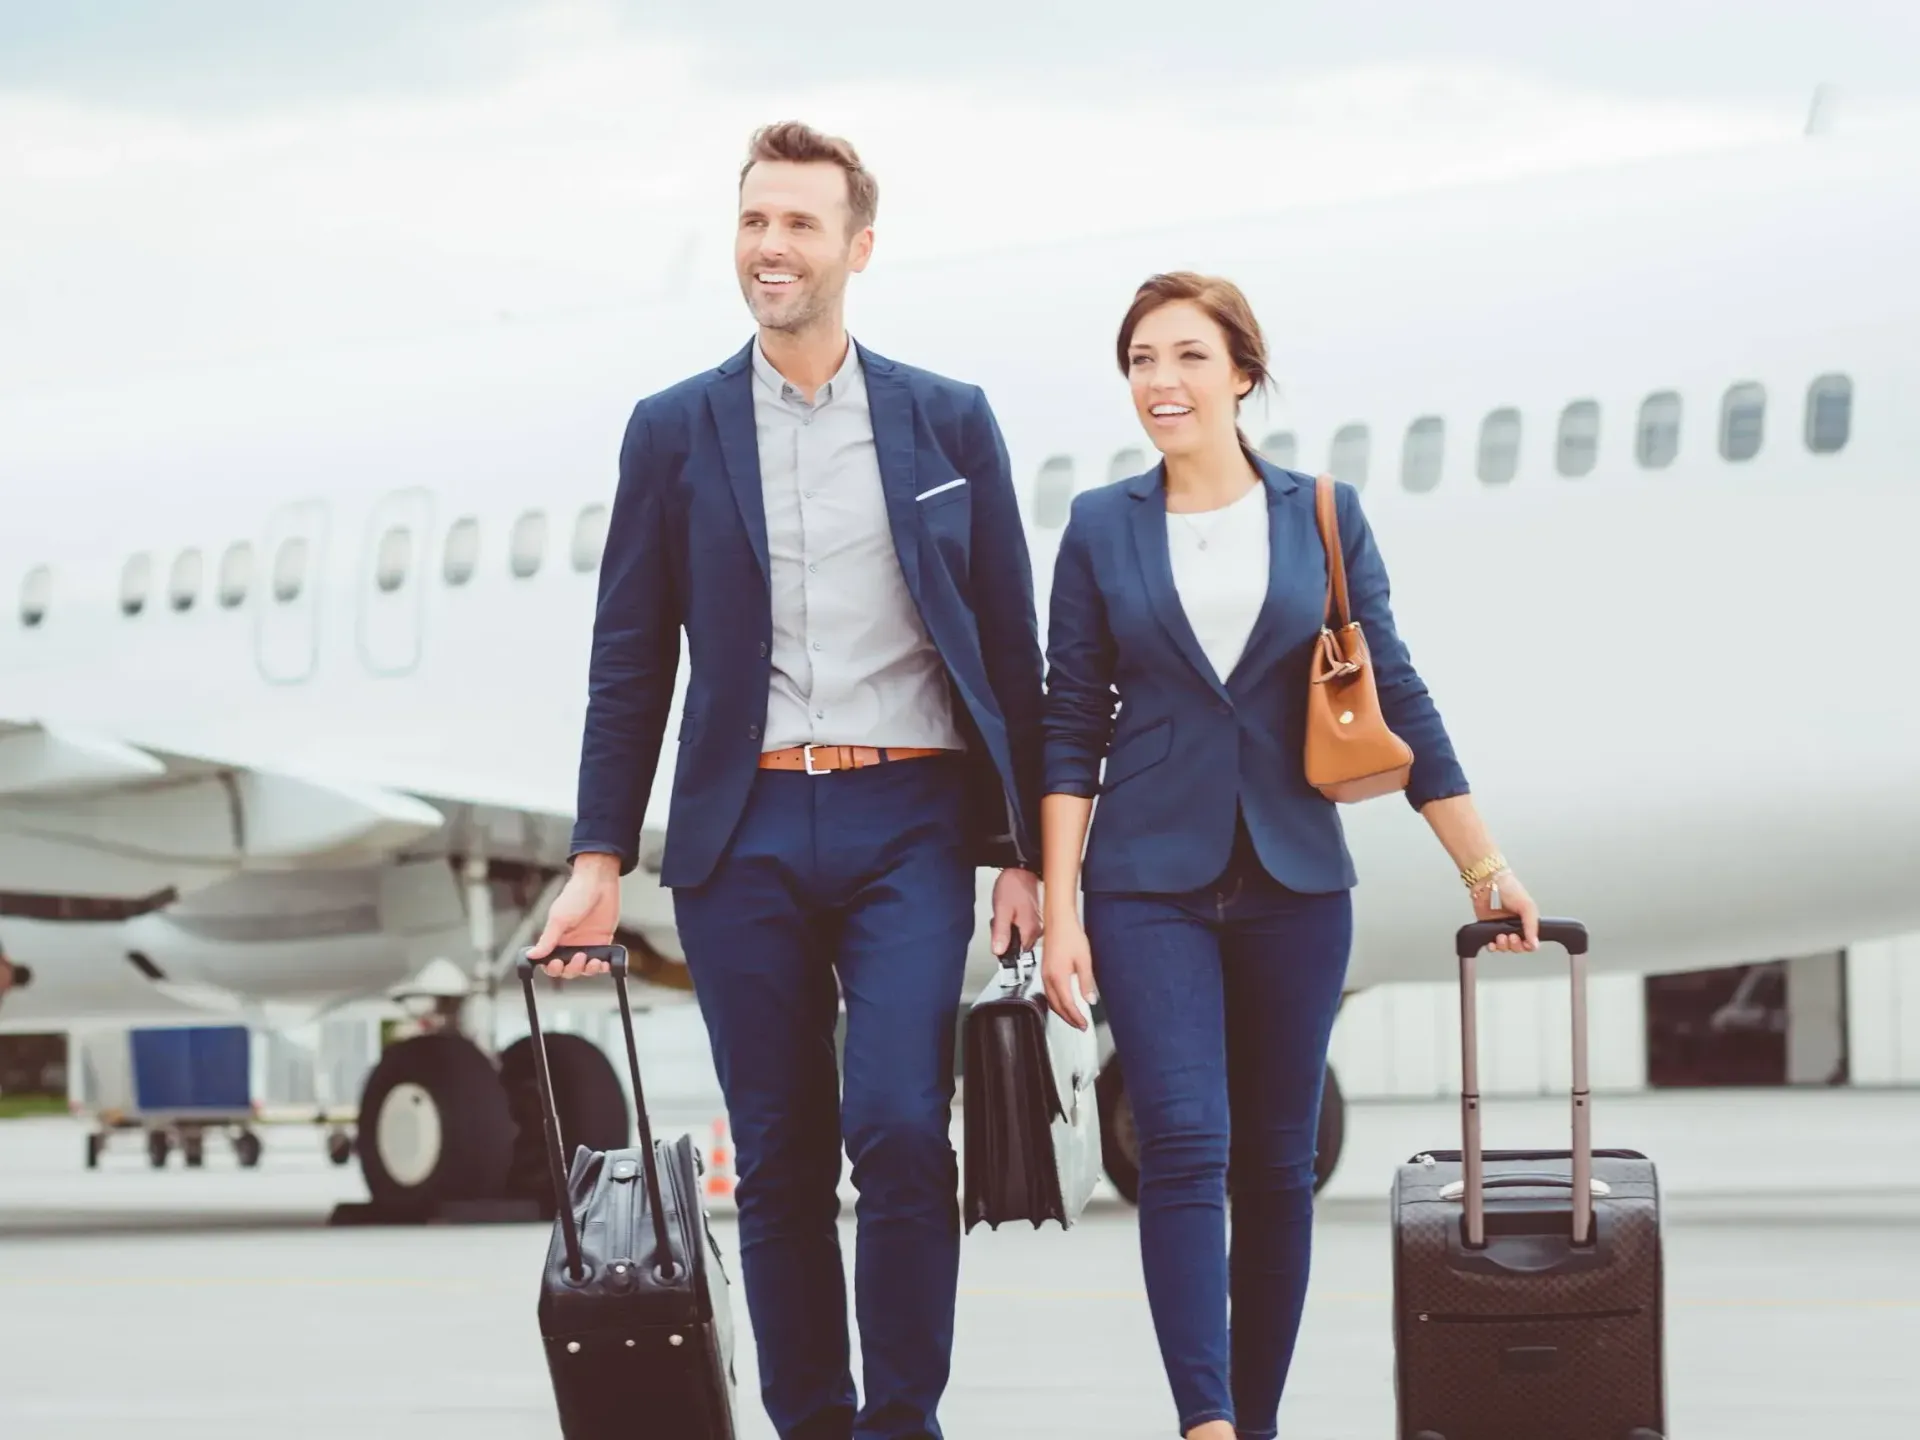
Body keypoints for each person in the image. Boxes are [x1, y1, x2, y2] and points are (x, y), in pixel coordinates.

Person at [526, 120, 1046, 1440]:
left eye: (801, 223)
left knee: (900, 1126)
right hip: (742, 827)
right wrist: (597, 859)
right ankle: (812, 1422)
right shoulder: (673, 431)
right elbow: (630, 659)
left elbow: (1010, 645)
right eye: (755, 219)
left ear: (858, 248)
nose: (772, 245)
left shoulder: (947, 420)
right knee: (778, 1154)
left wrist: (1030, 855)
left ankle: (903, 1422)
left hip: (909, 819)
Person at [1036, 271, 1541, 1440]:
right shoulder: (1102, 527)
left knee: (1274, 1164)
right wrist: (1061, 911)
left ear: (1243, 375)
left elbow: (1393, 688)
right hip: (1145, 881)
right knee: (1181, 1142)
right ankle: (1205, 1422)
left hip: (1297, 880)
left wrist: (1484, 867)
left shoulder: (1321, 514)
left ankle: (1252, 1423)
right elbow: (1068, 726)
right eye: (1142, 360)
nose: (1162, 381)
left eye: (1188, 356)